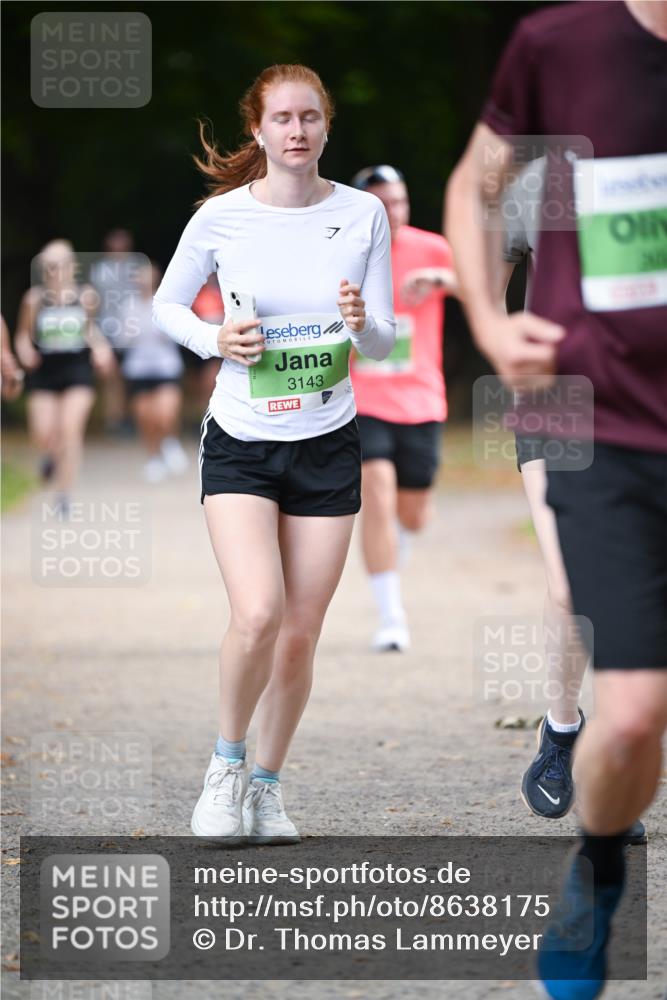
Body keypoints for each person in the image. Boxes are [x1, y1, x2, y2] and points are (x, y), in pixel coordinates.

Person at [446, 2, 666, 997]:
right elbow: (481, 195)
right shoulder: (560, 56)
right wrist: (491, 326)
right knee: (632, 706)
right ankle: (593, 826)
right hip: (592, 415)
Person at [153, 64, 395, 844]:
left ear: (327, 127)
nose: (297, 131)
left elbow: (387, 336)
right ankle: (224, 768)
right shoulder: (222, 219)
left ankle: (267, 786)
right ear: (256, 130)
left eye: (310, 118)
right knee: (257, 613)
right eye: (282, 118)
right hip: (243, 442)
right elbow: (166, 303)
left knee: (300, 629)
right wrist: (212, 338)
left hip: (327, 440)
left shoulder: (362, 216)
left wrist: (362, 322)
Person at [498, 162, 645, 841]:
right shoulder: (534, 183)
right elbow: (489, 292)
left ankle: (621, 750)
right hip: (558, 408)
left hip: (647, 407)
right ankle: (562, 735)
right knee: (571, 588)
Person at [349, 165, 458, 653]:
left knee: (412, 515)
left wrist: (443, 278)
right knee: (376, 491)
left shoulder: (432, 247)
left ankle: (398, 539)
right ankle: (392, 616)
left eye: (400, 201)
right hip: (361, 398)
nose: (394, 212)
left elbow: (477, 288)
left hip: (420, 399)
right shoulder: (342, 253)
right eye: (383, 204)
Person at [14, 240, 113, 515]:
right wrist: (24, 353)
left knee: (70, 430)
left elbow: (91, 330)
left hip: (77, 370)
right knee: (43, 434)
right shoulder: (33, 299)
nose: (52, 271)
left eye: (57, 265)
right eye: (47, 266)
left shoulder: (85, 296)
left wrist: (102, 350)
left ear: (72, 266)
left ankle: (63, 495)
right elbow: (23, 335)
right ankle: (50, 458)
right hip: (45, 371)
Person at [120, 262, 188, 482]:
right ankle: (153, 458)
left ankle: (169, 441)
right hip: (138, 368)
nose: (141, 281)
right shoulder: (127, 306)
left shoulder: (165, 303)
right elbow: (121, 339)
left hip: (165, 365)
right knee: (145, 417)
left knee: (165, 413)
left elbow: (178, 332)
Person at [89, 228, 140, 436]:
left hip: (132, 328)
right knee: (111, 377)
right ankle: (114, 420)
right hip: (107, 328)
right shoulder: (99, 270)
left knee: (132, 376)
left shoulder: (136, 268)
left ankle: (131, 418)